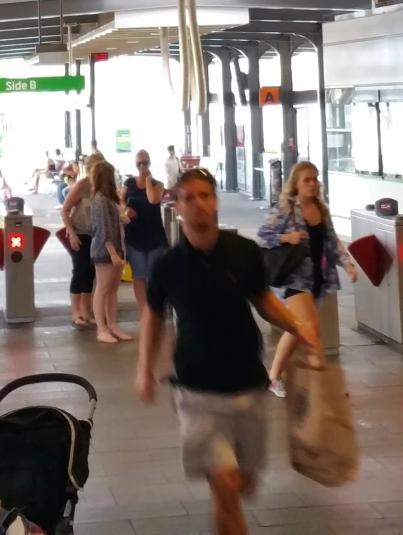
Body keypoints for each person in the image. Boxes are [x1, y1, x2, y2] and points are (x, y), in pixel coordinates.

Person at [137, 168, 321, 535]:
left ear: (216, 200)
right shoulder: (167, 266)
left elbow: (264, 300)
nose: (199, 204)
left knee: (243, 484)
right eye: (190, 198)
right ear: (177, 204)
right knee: (224, 486)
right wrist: (144, 368)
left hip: (247, 384)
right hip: (195, 389)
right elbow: (153, 316)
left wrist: (298, 328)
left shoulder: (243, 252)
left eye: (205, 196)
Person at [257, 160, 350, 395]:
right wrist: (287, 238)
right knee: (310, 327)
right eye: (306, 180)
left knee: (298, 328)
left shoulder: (321, 210)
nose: (313, 184)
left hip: (317, 279)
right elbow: (264, 233)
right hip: (293, 278)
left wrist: (348, 265)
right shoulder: (288, 208)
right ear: (296, 184)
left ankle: (273, 376)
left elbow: (331, 241)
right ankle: (322, 378)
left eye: (315, 179)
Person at [84, 160, 132, 343]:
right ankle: (102, 329)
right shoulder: (100, 201)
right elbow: (103, 230)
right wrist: (113, 253)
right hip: (106, 250)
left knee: (112, 290)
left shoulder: (109, 199)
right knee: (103, 289)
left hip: (116, 248)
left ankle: (112, 325)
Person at [125, 150, 172, 313]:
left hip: (154, 237)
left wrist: (148, 180)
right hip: (134, 237)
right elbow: (119, 200)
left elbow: (153, 199)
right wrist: (125, 209)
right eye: (139, 163)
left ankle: (154, 309)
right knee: (139, 276)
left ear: (150, 163)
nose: (142, 166)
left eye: (145, 162)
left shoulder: (157, 184)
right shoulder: (129, 183)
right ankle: (143, 310)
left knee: (154, 276)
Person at [60, 164, 100, 328]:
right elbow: (65, 210)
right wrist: (72, 234)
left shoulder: (102, 187)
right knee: (79, 270)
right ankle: (76, 312)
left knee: (90, 272)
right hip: (79, 232)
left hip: (95, 234)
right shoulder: (81, 186)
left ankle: (86, 311)